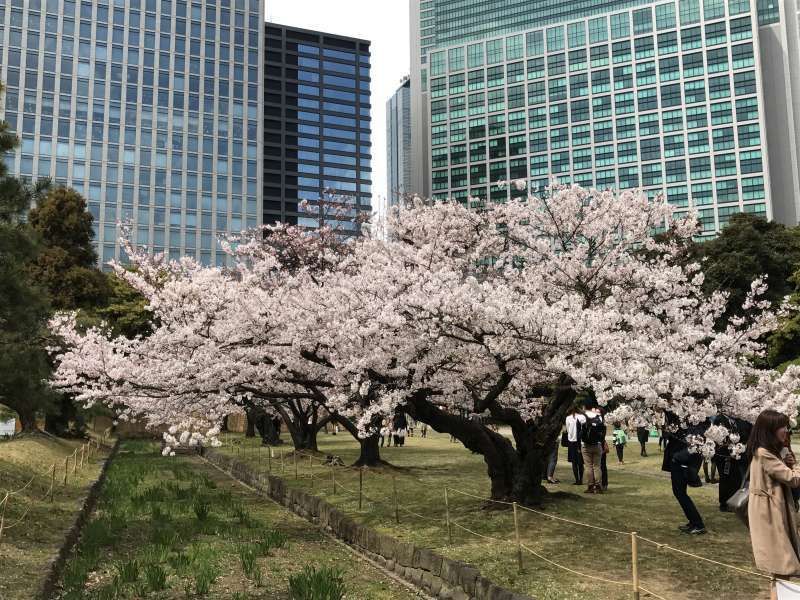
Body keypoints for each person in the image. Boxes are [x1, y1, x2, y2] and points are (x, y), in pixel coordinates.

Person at [747, 410, 800, 597]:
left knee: (779, 568)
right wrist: (795, 466)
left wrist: (787, 461)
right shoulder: (764, 453)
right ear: (770, 430)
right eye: (782, 427)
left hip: (768, 512)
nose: (786, 430)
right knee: (782, 566)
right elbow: (793, 479)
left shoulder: (764, 451)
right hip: (770, 515)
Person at [662, 412, 706, 535]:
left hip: (682, 463)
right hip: (679, 461)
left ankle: (698, 523)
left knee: (680, 493)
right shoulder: (683, 423)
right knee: (679, 493)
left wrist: (677, 457)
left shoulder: (697, 425)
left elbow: (695, 446)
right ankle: (693, 521)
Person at [581, 401, 606, 494]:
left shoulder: (584, 418)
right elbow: (602, 433)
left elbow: (580, 432)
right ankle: (598, 485)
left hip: (586, 445)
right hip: (597, 444)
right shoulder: (598, 419)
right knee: (597, 466)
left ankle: (590, 486)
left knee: (588, 466)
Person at [565, 406, 585, 485]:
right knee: (580, 462)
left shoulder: (568, 418)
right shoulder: (582, 417)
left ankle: (577, 480)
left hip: (571, 441)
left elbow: (567, 429)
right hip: (580, 441)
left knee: (574, 462)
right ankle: (581, 479)